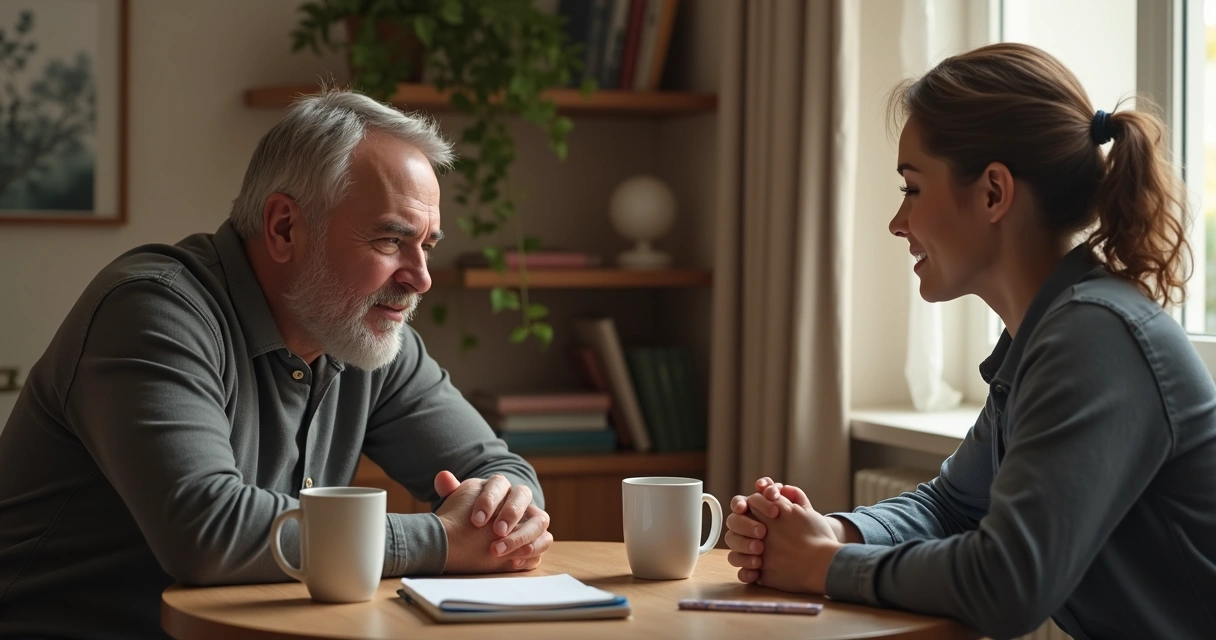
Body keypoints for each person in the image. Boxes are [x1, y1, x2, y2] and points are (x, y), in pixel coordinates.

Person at [0, 90, 552, 639]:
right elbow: (208, 531)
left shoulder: (365, 335)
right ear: (285, 227)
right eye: (391, 240)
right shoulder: (152, 311)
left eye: (427, 245)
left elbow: (502, 474)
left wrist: (502, 512)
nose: (421, 277)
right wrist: (441, 540)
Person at [724, 43, 1216, 640]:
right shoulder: (1046, 336)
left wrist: (824, 566)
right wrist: (835, 534)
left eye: (911, 188)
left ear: (992, 193)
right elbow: (953, 506)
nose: (897, 222)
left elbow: (1006, 585)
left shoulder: (1095, 339)